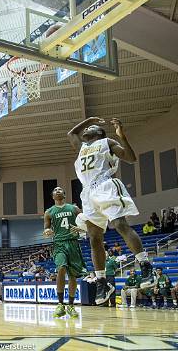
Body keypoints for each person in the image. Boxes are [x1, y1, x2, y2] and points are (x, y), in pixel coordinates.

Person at [67, 117, 153, 305]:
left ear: (99, 133)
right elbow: (71, 133)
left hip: (105, 185)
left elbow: (131, 158)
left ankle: (146, 266)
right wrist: (88, 119)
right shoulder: (82, 147)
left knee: (120, 224)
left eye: (92, 126)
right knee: (94, 238)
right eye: (87, 126)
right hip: (87, 193)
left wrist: (122, 137)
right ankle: (102, 282)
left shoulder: (107, 142)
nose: (88, 128)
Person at [43, 186, 87, 318]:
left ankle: (71, 305)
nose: (57, 190)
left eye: (60, 189)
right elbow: (45, 231)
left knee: (73, 276)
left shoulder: (73, 208)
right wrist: (47, 232)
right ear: (52, 196)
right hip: (59, 244)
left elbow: (86, 224)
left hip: (73, 243)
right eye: (55, 189)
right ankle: (60, 304)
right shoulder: (49, 212)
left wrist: (81, 229)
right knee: (61, 268)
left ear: (64, 194)